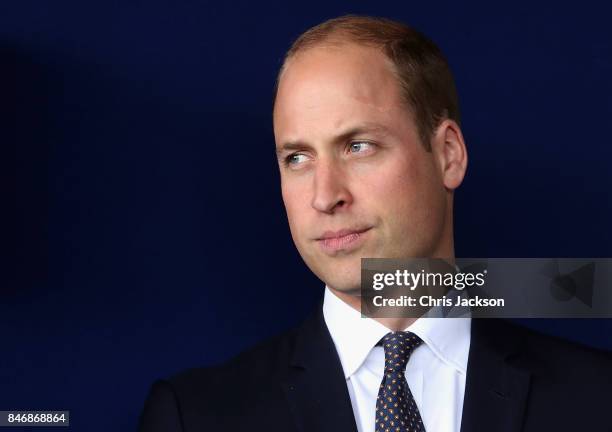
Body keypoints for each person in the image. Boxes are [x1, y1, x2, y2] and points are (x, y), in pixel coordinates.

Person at [138, 15, 612, 432]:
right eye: (297, 157)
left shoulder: (597, 400)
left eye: (358, 146)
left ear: (448, 154)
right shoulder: (195, 416)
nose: (325, 196)